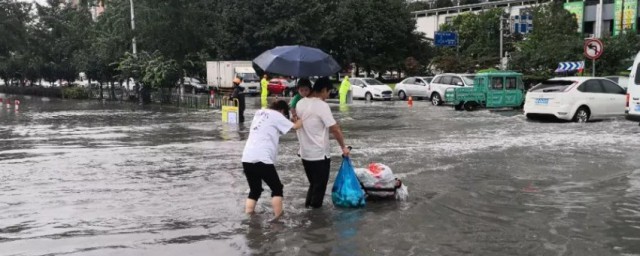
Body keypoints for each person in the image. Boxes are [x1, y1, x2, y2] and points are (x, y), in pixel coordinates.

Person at [241, 100, 303, 220]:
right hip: (262, 158)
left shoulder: (259, 113)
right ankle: (278, 218)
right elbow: (296, 126)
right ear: (282, 111)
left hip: (247, 158)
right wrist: (300, 119)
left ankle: (249, 217)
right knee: (277, 188)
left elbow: (271, 127)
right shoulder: (278, 115)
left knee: (255, 190)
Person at [295, 77, 350, 208]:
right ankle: (315, 221)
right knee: (319, 188)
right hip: (319, 155)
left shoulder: (300, 103)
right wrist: (343, 147)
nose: (328, 95)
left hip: (305, 154)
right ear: (324, 90)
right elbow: (335, 129)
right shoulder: (322, 106)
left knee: (313, 184)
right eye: (328, 92)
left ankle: (307, 210)